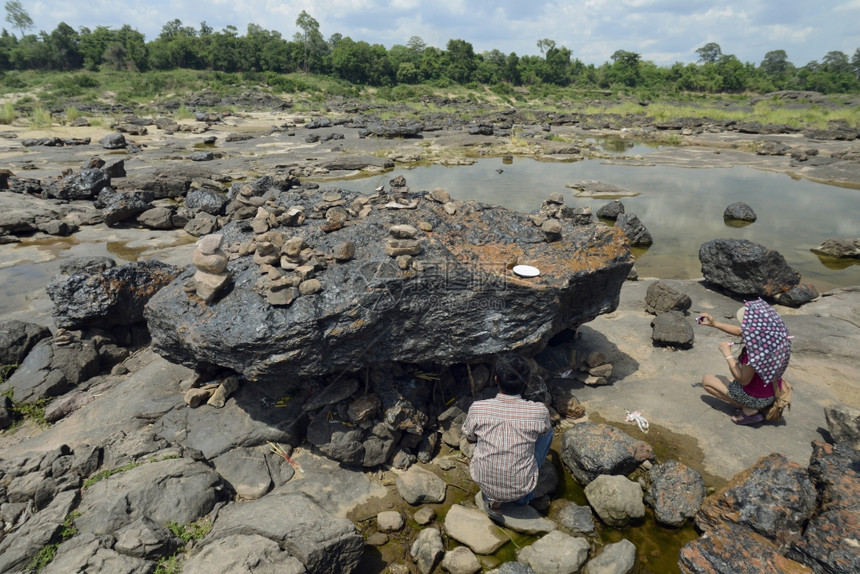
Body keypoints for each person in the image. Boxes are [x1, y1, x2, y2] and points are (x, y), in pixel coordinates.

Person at [462, 353, 553, 520]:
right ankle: (522, 499)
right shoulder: (539, 411)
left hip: (485, 484)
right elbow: (544, 432)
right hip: (521, 487)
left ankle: (491, 496)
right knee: (548, 432)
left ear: (496, 379)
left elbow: (469, 439)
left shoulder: (478, 408)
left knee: (478, 435)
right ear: (525, 381)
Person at [698, 308, 783, 425]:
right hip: (770, 393)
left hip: (756, 398)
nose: (743, 326)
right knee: (735, 369)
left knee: (707, 380)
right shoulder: (770, 338)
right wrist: (714, 324)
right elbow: (739, 331)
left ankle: (749, 409)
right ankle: (751, 406)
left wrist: (727, 354)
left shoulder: (755, 353)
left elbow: (743, 380)